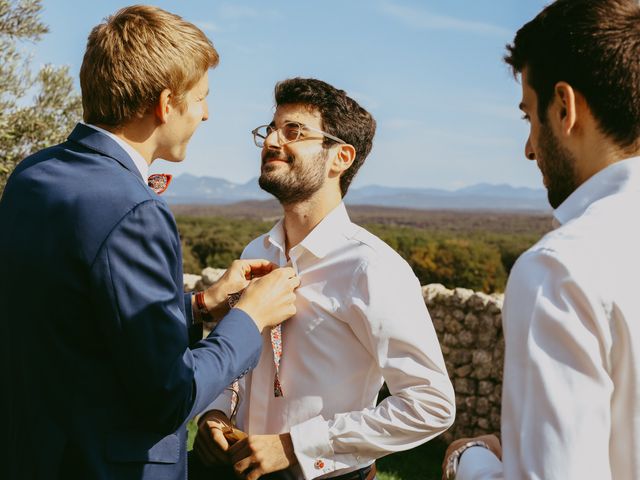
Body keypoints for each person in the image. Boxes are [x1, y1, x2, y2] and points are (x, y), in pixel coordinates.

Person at [0, 6, 299, 480]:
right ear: (165, 104)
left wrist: (198, 305)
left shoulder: (32, 175)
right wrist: (250, 317)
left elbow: (75, 321)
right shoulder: (136, 211)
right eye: (201, 98)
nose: (206, 112)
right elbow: (167, 395)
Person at [192, 77, 455, 480]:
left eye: (293, 130)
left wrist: (296, 447)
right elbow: (241, 364)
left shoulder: (371, 268)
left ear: (340, 157)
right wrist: (214, 411)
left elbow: (432, 402)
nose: (272, 141)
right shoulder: (255, 254)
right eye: (271, 129)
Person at [442, 0, 640, 478]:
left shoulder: (559, 269)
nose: (530, 147)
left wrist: (469, 461)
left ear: (565, 107)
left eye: (530, 115)